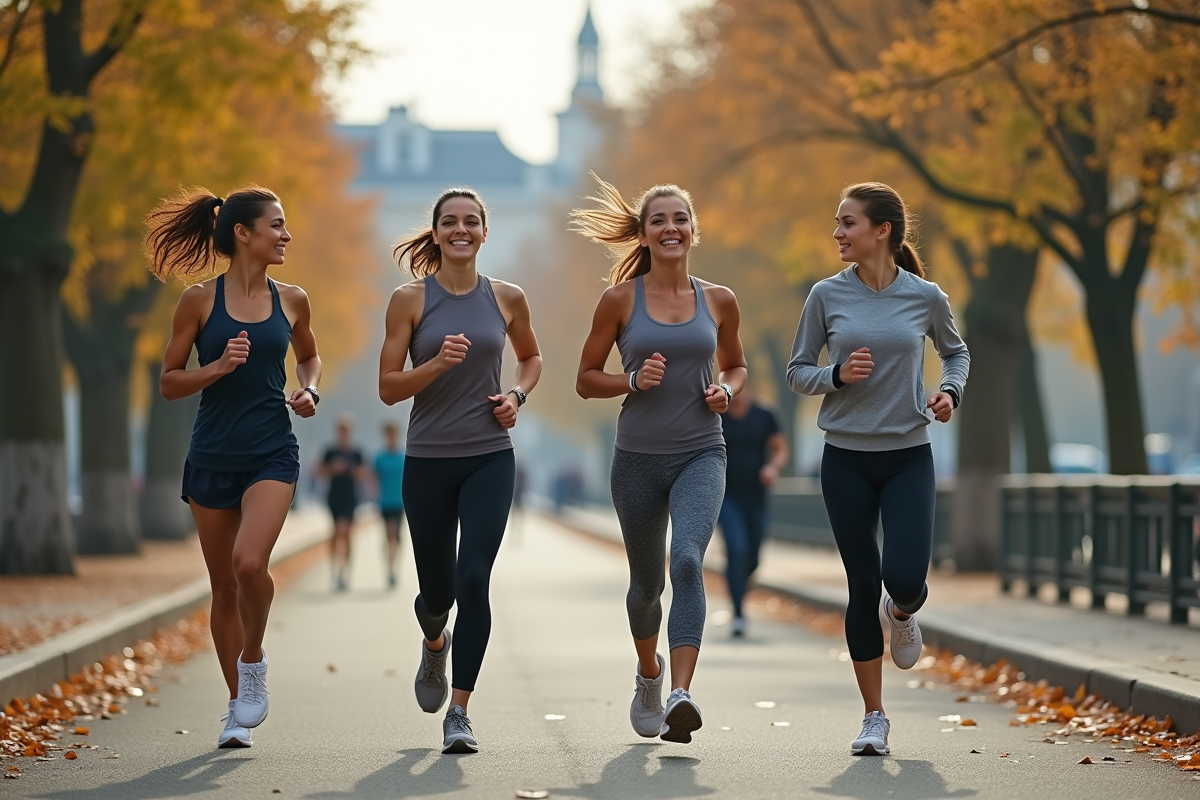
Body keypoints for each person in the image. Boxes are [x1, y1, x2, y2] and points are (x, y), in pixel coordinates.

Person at [787, 182, 969, 756]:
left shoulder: (925, 297)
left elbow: (957, 352)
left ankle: (905, 609)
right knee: (861, 583)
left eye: (847, 223)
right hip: (844, 458)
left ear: (881, 230)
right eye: (837, 223)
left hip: (908, 456)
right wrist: (835, 377)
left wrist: (949, 392)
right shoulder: (824, 295)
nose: (837, 233)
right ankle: (874, 716)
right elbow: (797, 370)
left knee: (905, 578)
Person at [145, 185, 322, 749]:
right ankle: (235, 708)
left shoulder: (292, 298)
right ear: (243, 233)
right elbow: (170, 382)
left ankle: (253, 664)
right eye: (276, 225)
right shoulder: (198, 301)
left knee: (250, 565)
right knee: (223, 588)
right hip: (212, 454)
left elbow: (310, 355)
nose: (285, 235)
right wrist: (216, 367)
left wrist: (309, 388)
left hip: (272, 449)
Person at [573, 174, 747, 745]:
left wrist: (728, 389)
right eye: (658, 221)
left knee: (690, 562)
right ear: (644, 236)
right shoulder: (620, 300)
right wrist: (630, 380)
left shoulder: (719, 300)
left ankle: (680, 692)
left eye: (679, 219)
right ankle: (649, 675)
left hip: (702, 451)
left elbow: (737, 365)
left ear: (694, 230)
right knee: (647, 586)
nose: (670, 228)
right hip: (638, 460)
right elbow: (584, 380)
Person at [379, 187, 542, 754]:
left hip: (489, 457)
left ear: (484, 232)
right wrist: (433, 365)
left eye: (471, 221)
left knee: (474, 579)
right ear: (436, 232)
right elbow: (387, 387)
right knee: (437, 592)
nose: (461, 230)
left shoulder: (508, 297)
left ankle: (461, 711)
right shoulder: (408, 300)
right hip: (427, 460)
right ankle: (432, 642)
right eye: (450, 222)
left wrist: (517, 396)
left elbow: (532, 357)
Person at [718, 384, 789, 637]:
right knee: (737, 549)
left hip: (757, 496)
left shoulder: (765, 414)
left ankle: (737, 584)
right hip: (726, 497)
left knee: (753, 558)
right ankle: (738, 613)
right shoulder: (717, 416)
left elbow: (780, 448)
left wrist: (773, 468)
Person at [319, 414, 366, 592]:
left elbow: (363, 473)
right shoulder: (330, 451)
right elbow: (319, 470)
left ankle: (344, 571)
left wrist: (348, 469)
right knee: (335, 533)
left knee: (344, 531)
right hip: (334, 497)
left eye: (346, 429)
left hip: (350, 497)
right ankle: (334, 569)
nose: (344, 432)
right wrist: (333, 468)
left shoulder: (356, 452)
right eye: (341, 429)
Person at [373, 420, 407, 588]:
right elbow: (372, 478)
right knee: (389, 535)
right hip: (385, 502)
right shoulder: (380, 457)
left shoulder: (403, 456)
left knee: (396, 536)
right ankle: (389, 568)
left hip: (400, 502)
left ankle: (393, 567)